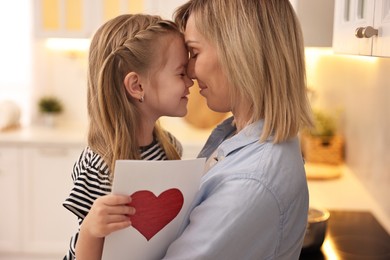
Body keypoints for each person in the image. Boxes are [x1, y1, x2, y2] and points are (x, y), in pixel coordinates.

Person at [162, 0, 314, 259]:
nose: (189, 71)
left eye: (194, 53)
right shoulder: (237, 136)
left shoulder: (251, 181)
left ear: (239, 52)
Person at [62, 14, 193, 259]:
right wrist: (92, 228)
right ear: (137, 86)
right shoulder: (99, 165)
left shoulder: (169, 147)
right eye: (180, 73)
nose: (191, 81)